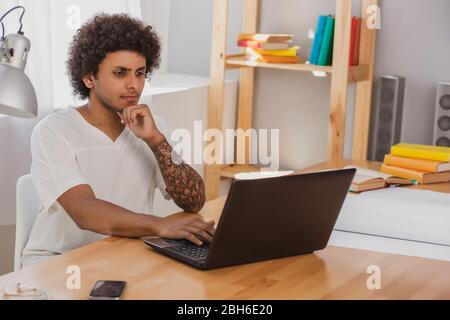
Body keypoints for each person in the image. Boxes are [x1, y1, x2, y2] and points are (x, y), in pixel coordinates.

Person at [22, 13, 214, 267]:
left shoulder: (152, 129)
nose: (134, 85)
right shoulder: (53, 131)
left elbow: (194, 201)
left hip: (124, 253)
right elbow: (84, 211)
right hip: (58, 262)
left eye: (140, 73)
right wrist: (161, 225)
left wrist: (156, 141)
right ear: (89, 77)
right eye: (120, 73)